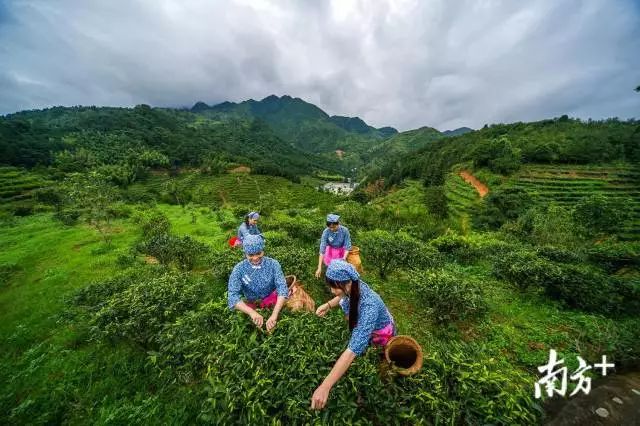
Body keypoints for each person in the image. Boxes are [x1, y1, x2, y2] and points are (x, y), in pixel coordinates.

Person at [310, 260, 395, 410]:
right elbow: (343, 296)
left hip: (380, 333)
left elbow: (352, 351)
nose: (331, 291)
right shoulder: (352, 287)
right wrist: (328, 305)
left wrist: (325, 386)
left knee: (376, 355)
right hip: (366, 322)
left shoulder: (369, 306)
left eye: (334, 287)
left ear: (347, 284)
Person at [227, 234, 288, 332]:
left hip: (273, 300)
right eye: (250, 255)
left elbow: (282, 288)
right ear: (245, 253)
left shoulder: (273, 264)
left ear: (263, 251)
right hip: (252, 303)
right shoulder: (239, 269)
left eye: (258, 253)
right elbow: (233, 296)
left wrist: (274, 314)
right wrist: (252, 313)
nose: (255, 258)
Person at [315, 214, 352, 278]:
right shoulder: (326, 232)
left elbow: (347, 246)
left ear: (338, 224)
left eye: (334, 227)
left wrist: (343, 258)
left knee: (341, 269)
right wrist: (319, 267)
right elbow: (322, 249)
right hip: (331, 251)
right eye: (330, 227)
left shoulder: (344, 230)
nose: (331, 229)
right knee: (331, 268)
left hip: (342, 251)